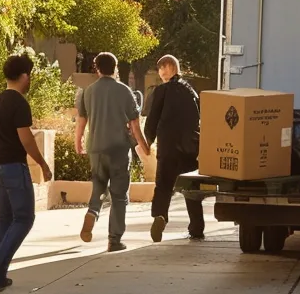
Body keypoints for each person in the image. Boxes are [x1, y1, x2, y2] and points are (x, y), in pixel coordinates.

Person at [0, 54, 51, 291]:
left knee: (4, 217)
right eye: (29, 75)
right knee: (24, 218)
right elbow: (27, 140)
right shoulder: (19, 102)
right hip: (14, 166)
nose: (30, 79)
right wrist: (43, 164)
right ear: (24, 76)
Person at [75, 52, 151, 251]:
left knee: (98, 185)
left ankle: (92, 211)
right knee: (119, 195)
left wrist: (78, 142)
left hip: (95, 148)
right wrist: (144, 146)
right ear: (115, 67)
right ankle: (114, 240)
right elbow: (135, 124)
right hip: (118, 149)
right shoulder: (124, 91)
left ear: (96, 68)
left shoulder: (88, 91)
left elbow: (81, 121)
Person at [143, 55, 204, 242]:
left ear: (172, 69)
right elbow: (199, 118)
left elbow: (152, 119)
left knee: (163, 186)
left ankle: (160, 215)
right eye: (160, 68)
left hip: (168, 147)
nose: (161, 72)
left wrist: (148, 140)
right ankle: (196, 227)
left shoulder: (161, 91)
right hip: (190, 147)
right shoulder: (191, 91)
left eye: (164, 68)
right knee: (191, 187)